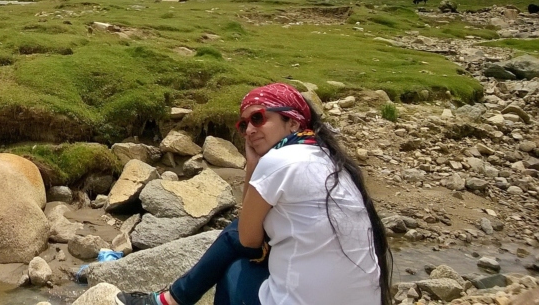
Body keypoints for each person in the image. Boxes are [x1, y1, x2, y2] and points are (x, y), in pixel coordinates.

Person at [117, 82, 391, 305]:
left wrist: (254, 165)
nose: (249, 130)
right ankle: (171, 300)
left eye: (258, 118)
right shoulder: (333, 162)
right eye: (243, 124)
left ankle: (171, 300)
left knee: (235, 267)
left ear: (293, 122)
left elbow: (246, 237)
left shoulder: (279, 161)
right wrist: (253, 164)